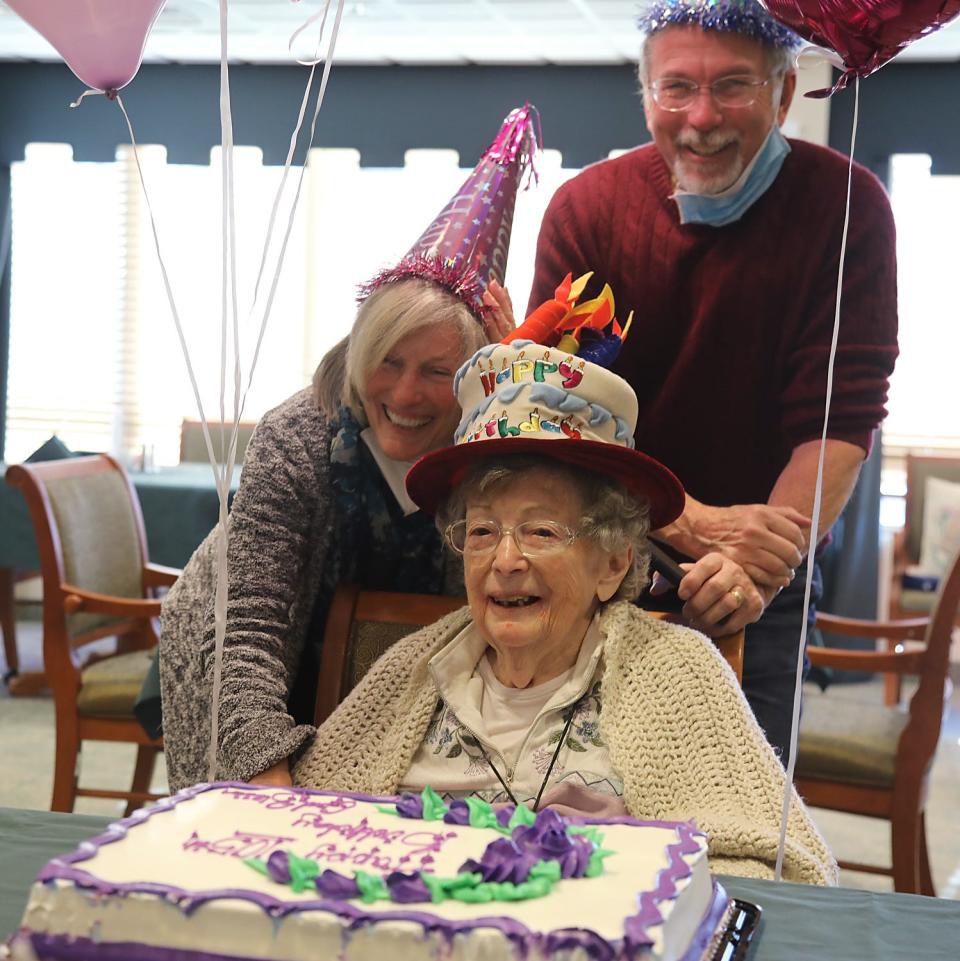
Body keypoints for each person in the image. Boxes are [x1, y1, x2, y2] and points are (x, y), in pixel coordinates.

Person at [293, 332, 837, 884]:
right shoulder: (412, 667)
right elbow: (306, 827)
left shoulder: (676, 674)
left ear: (613, 564)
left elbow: (779, 869)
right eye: (482, 530)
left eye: (541, 530)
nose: (505, 560)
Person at [526, 0, 899, 762]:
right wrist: (692, 524)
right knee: (577, 790)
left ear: (785, 91)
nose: (701, 117)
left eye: (733, 85)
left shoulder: (848, 206)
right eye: (677, 89)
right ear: (646, 94)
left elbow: (839, 418)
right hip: (603, 544)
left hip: (769, 558)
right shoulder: (587, 210)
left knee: (745, 817)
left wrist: (753, 563)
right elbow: (553, 404)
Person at [159, 105, 539, 793]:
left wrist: (516, 398)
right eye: (388, 361)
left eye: (437, 372)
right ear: (357, 352)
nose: (405, 393)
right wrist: (265, 784)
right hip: (249, 646)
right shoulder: (298, 434)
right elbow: (245, 627)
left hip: (401, 668)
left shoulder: (493, 448)